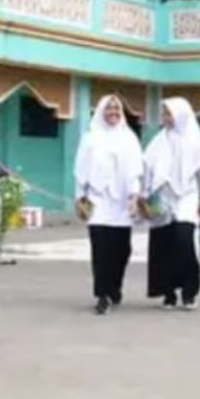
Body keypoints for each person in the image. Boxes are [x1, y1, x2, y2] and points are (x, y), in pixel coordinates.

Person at [73, 94, 144, 315]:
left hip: (121, 203)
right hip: (97, 200)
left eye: (116, 109)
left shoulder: (129, 137)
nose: (112, 112)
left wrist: (134, 196)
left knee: (121, 250)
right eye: (108, 108)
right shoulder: (90, 137)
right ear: (101, 111)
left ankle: (115, 288)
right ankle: (102, 295)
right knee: (100, 249)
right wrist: (80, 197)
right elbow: (81, 170)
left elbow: (135, 171)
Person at [144, 97, 200, 311]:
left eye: (168, 114)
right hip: (161, 197)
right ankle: (169, 293)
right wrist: (145, 197)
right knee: (163, 245)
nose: (165, 118)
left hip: (187, 197)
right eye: (163, 114)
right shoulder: (158, 141)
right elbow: (147, 170)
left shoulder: (194, 141)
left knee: (184, 240)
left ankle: (189, 291)